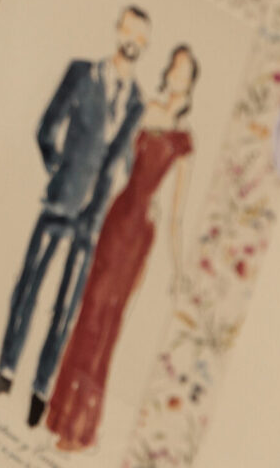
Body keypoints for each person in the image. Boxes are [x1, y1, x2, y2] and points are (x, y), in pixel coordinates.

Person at [0, 6, 150, 429]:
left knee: (66, 304)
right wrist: (58, 168)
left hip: (94, 215)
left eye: (140, 36)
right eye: (128, 30)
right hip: (60, 199)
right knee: (28, 286)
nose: (132, 40)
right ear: (117, 29)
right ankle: (5, 370)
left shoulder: (137, 103)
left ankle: (40, 390)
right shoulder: (81, 73)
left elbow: (125, 158)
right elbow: (46, 127)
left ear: (144, 44)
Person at [47, 45, 197, 451]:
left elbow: (177, 215)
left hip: (140, 234)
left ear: (191, 83)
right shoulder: (147, 111)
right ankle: (60, 414)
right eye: (174, 67)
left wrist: (179, 271)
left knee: (109, 323)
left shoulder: (184, 141)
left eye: (184, 71)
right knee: (89, 310)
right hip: (117, 217)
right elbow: (115, 162)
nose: (176, 74)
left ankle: (80, 428)